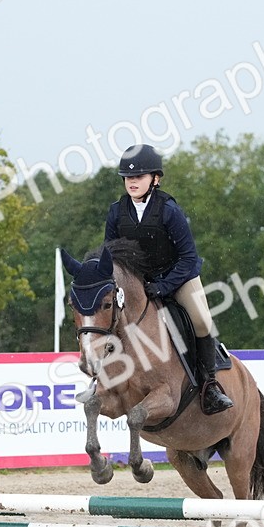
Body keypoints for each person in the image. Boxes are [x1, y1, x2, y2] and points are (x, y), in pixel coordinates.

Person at [104, 143, 233, 414]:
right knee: (107, 317)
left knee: (201, 320)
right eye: (128, 177)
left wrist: (163, 286)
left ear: (155, 179)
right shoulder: (116, 211)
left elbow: (188, 257)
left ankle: (209, 385)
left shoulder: (168, 210)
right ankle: (102, 381)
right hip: (138, 283)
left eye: (139, 176)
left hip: (178, 276)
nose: (132, 182)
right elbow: (111, 257)